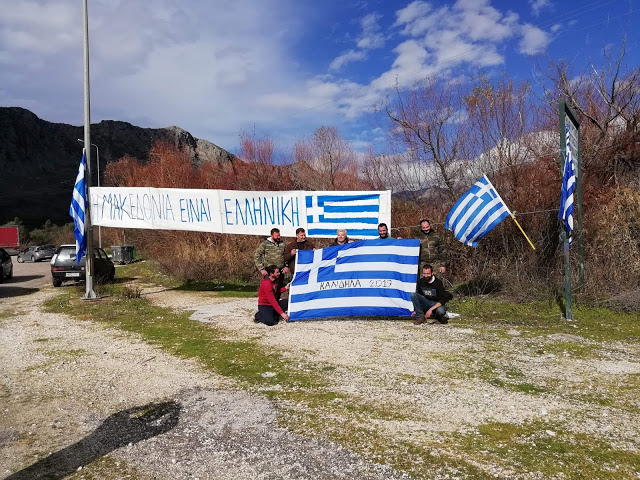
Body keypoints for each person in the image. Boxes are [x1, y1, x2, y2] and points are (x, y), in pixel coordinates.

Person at [254, 228, 288, 295]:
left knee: (278, 289)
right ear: (272, 235)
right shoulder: (265, 244)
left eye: (279, 235)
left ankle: (277, 304)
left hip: (280, 271)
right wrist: (261, 269)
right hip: (269, 271)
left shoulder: (282, 244)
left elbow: (286, 255)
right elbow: (257, 255)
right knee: (269, 289)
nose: (279, 237)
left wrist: (286, 266)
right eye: (277, 236)